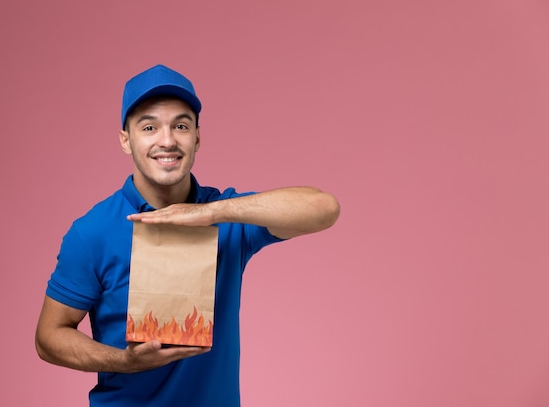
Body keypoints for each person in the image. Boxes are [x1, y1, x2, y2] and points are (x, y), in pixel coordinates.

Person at [35, 64, 340, 406]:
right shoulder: (91, 233)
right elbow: (48, 337)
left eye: (180, 126)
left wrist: (208, 213)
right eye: (149, 127)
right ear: (126, 140)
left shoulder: (227, 214)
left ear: (197, 137)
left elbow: (323, 207)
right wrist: (124, 362)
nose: (167, 140)